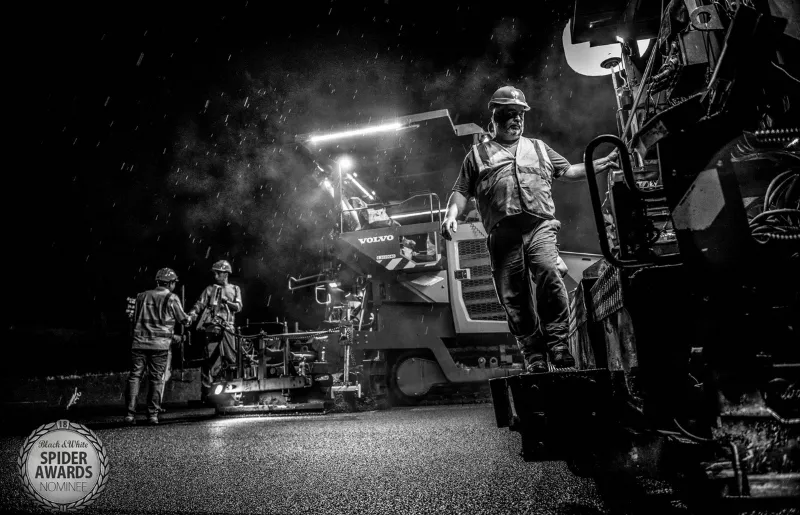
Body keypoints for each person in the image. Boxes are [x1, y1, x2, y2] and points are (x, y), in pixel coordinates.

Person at [440, 85, 620, 373]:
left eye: (521, 115)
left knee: (549, 273)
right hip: (503, 234)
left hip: (539, 227)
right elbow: (461, 191)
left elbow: (570, 171)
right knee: (513, 295)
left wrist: (602, 163)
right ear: (496, 117)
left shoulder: (538, 148)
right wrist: (451, 216)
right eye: (510, 114)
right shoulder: (477, 155)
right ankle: (534, 353)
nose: (517, 120)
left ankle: (558, 345)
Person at [125, 268, 191, 425]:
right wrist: (189, 319)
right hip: (159, 346)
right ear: (170, 283)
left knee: (135, 377)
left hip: (139, 343)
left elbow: (132, 318)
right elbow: (183, 319)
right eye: (174, 283)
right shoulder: (171, 298)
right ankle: (152, 415)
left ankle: (129, 414)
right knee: (156, 379)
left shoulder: (141, 296)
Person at [187, 260, 243, 404]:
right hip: (212, 329)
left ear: (226, 273)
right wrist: (192, 314)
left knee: (231, 360)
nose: (216, 275)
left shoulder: (235, 289)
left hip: (228, 329)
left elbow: (238, 306)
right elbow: (199, 304)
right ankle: (207, 395)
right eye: (215, 272)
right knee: (210, 360)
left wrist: (225, 301)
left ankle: (231, 393)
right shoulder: (210, 289)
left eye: (218, 272)